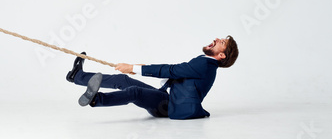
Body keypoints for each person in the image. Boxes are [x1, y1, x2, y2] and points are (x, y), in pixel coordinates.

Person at [66, 36, 239, 119]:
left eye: (221, 42)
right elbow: (177, 73)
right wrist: (138, 68)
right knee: (124, 80)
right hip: (168, 98)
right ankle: (77, 76)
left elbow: (172, 70)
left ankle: (95, 99)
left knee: (135, 92)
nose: (216, 39)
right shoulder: (205, 62)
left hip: (170, 107)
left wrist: (134, 67)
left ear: (222, 55)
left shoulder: (206, 66)